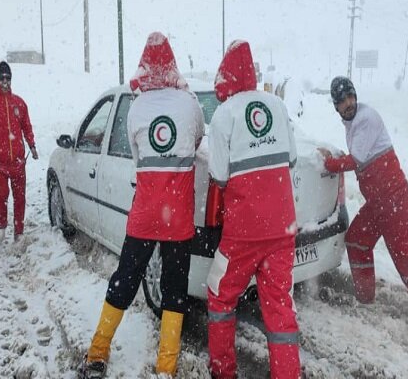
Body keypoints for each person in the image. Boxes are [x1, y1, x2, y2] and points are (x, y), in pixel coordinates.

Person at [80, 32, 205, 379]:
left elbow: (139, 158)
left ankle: (98, 351)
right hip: (178, 216)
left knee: (125, 279)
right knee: (174, 289)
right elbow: (196, 142)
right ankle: (166, 366)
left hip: (145, 214)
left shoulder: (136, 107)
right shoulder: (189, 104)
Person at [207, 40, 301, 379]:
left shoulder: (224, 114)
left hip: (243, 233)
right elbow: (291, 158)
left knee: (220, 296)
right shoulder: (276, 104)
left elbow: (218, 174)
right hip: (282, 229)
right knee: (279, 307)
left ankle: (223, 371)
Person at [319, 76, 408, 328]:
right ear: (336, 106)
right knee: (357, 239)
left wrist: (329, 163)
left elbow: (357, 159)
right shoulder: (351, 123)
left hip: (394, 200)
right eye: (342, 100)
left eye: (350, 97)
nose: (348, 103)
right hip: (377, 203)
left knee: (404, 259)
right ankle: (365, 298)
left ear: (355, 96)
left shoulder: (366, 118)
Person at [0, 61, 38, 243]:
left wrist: (32, 145)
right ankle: (2, 226)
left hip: (19, 162)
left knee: (20, 198)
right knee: (1, 196)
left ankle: (19, 231)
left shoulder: (19, 103)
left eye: (8, 78)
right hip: (0, 163)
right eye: (2, 78)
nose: (5, 81)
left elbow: (27, 127)